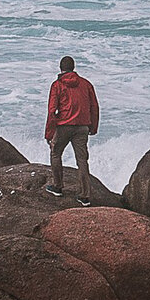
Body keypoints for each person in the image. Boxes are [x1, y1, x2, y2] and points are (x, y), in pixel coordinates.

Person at [44, 55, 99, 206]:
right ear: (73, 68)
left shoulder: (57, 85)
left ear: (61, 68)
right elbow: (94, 106)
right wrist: (93, 127)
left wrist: (49, 133)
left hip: (63, 126)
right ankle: (84, 195)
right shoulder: (86, 84)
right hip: (82, 127)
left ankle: (58, 187)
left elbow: (52, 111)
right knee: (82, 160)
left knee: (56, 153)